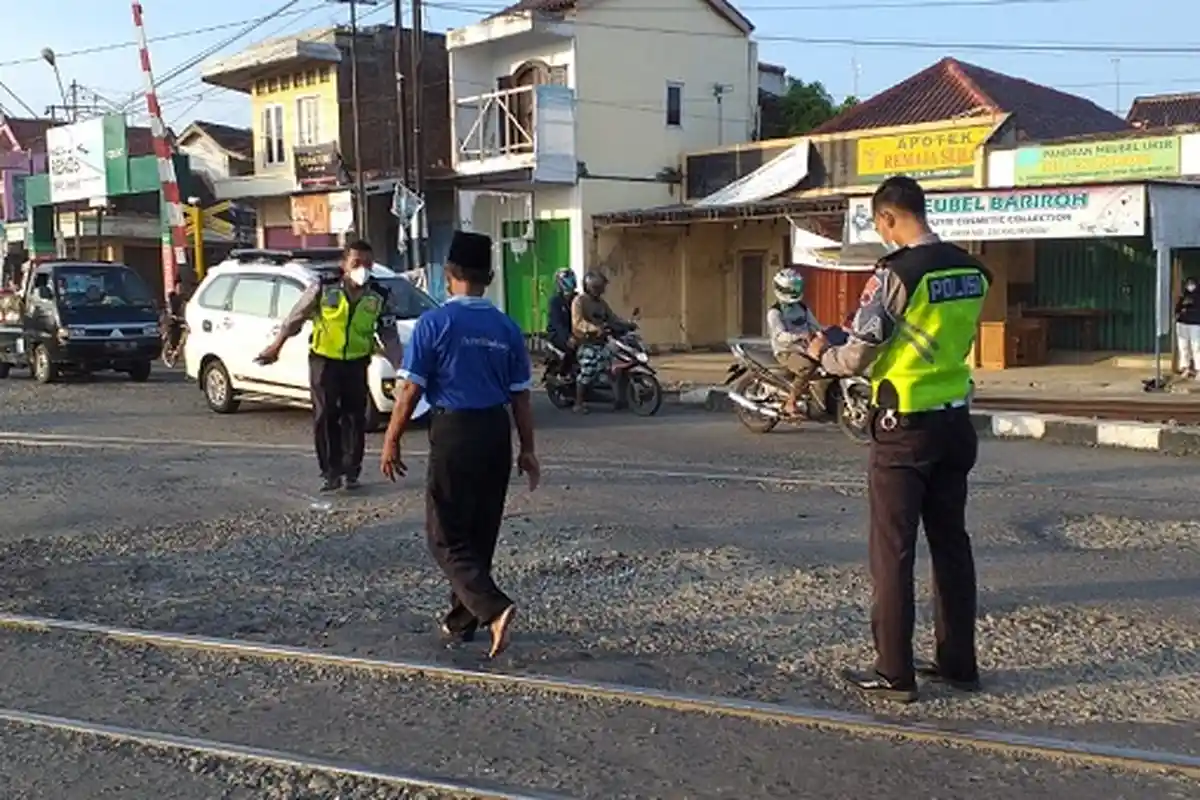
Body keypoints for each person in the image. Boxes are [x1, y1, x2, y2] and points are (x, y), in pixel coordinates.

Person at [807, 175, 991, 703]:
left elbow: (861, 350)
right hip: (956, 421)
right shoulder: (972, 269)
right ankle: (958, 664)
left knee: (893, 551)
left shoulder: (895, 274)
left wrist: (824, 355)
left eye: (879, 224)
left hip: (903, 425)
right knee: (952, 544)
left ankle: (893, 672)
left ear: (887, 218)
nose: (881, 233)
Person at [380, 230, 539, 659]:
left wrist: (391, 439)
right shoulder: (506, 327)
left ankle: (493, 608)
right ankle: (460, 622)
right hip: (495, 432)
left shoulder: (436, 323)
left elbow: (410, 391)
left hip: (455, 432)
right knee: (479, 532)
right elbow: (521, 396)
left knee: (444, 535)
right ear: (487, 276)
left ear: (449, 275)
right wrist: (527, 449)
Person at [256, 240, 402, 492]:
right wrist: (276, 347)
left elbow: (389, 334)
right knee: (325, 415)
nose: (363, 269)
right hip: (324, 361)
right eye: (356, 263)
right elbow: (295, 319)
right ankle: (330, 472)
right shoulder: (324, 288)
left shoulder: (379, 295)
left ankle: (351, 471)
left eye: (368, 264)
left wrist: (401, 368)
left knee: (355, 417)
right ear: (344, 264)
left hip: (356, 363)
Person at [766, 268, 824, 416]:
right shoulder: (775, 312)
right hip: (786, 351)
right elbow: (780, 336)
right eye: (790, 288)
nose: (794, 291)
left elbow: (814, 325)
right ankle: (790, 402)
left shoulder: (802, 307)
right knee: (807, 368)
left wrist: (821, 334)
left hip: (804, 348)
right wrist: (799, 336)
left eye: (796, 287)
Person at [570, 270, 629, 413]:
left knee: (616, 366)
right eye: (598, 287)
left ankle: (619, 398)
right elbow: (578, 323)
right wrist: (594, 329)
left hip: (602, 342)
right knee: (588, 370)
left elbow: (612, 318)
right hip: (585, 342)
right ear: (590, 287)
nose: (601, 290)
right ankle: (578, 403)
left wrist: (626, 325)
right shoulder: (579, 301)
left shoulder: (601, 303)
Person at [546, 267, 577, 376]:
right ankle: (565, 374)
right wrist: (567, 338)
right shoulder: (555, 301)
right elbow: (557, 323)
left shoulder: (578, 299)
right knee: (572, 349)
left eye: (571, 279)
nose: (570, 283)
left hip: (577, 333)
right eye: (567, 280)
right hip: (558, 334)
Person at [1175, 277, 1199, 378]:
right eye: (1188, 284)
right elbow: (1178, 307)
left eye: (1192, 284)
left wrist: (1188, 307)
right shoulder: (1184, 295)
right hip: (1182, 323)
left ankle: (1198, 369)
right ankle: (1186, 368)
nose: (1190, 286)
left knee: (1196, 347)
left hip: (1196, 323)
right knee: (1183, 347)